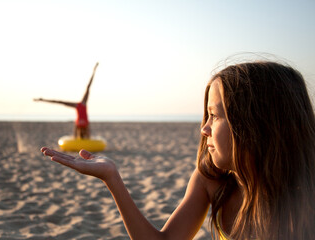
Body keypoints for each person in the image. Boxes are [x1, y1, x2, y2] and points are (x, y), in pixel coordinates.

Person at [41, 60, 315, 240]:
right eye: (205, 116)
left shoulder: (305, 198)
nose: (203, 129)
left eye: (215, 116)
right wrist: (112, 178)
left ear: (257, 124)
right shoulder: (211, 180)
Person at [34, 62, 99, 139]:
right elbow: (88, 87)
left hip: (80, 124)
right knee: (82, 130)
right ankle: (80, 137)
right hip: (83, 123)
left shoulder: (78, 105)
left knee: (79, 129)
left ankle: (78, 137)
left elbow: (59, 102)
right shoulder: (81, 104)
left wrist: (42, 100)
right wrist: (94, 70)